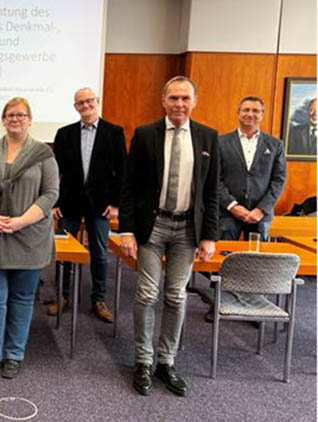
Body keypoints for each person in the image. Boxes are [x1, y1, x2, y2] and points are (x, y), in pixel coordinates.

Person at [119, 76, 218, 397]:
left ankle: (166, 361)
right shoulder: (146, 134)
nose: (179, 104)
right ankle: (143, 361)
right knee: (147, 294)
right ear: (163, 100)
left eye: (185, 98)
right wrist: (126, 230)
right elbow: (129, 186)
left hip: (188, 229)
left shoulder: (207, 137)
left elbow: (211, 192)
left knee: (176, 296)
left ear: (194, 102)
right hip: (153, 226)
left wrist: (209, 236)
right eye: (173, 98)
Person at [0, 97, 59, 380]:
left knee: (21, 299)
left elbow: (50, 194)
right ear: (3, 120)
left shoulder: (43, 154)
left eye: (21, 115)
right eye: (10, 115)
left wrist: (21, 221)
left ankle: (14, 355)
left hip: (29, 237)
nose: (15, 119)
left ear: (30, 120)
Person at [204, 96, 286, 321]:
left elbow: (279, 181)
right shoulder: (220, 143)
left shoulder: (275, 145)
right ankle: (219, 303)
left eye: (256, 111)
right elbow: (214, 179)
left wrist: (261, 210)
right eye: (246, 110)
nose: (251, 114)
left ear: (262, 115)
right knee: (223, 260)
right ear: (238, 113)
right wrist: (233, 206)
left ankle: (255, 306)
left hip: (260, 214)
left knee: (257, 262)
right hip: (228, 212)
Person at [50, 87, 126, 322]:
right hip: (68, 203)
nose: (85, 105)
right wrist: (54, 203)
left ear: (97, 101)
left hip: (101, 205)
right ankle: (63, 295)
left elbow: (122, 171)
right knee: (64, 252)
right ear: (75, 107)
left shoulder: (114, 133)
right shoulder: (64, 134)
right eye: (80, 102)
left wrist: (116, 205)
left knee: (100, 253)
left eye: (89, 101)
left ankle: (98, 299)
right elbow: (54, 172)